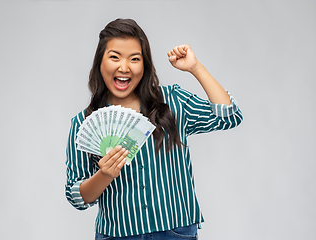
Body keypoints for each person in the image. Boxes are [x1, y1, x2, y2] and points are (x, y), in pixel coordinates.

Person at [65, 18, 243, 240]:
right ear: (100, 63)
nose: (124, 67)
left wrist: (196, 68)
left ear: (145, 65)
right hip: (118, 235)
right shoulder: (83, 123)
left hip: (175, 232)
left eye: (135, 59)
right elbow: (77, 197)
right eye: (114, 57)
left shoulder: (173, 101)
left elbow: (229, 116)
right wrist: (104, 175)